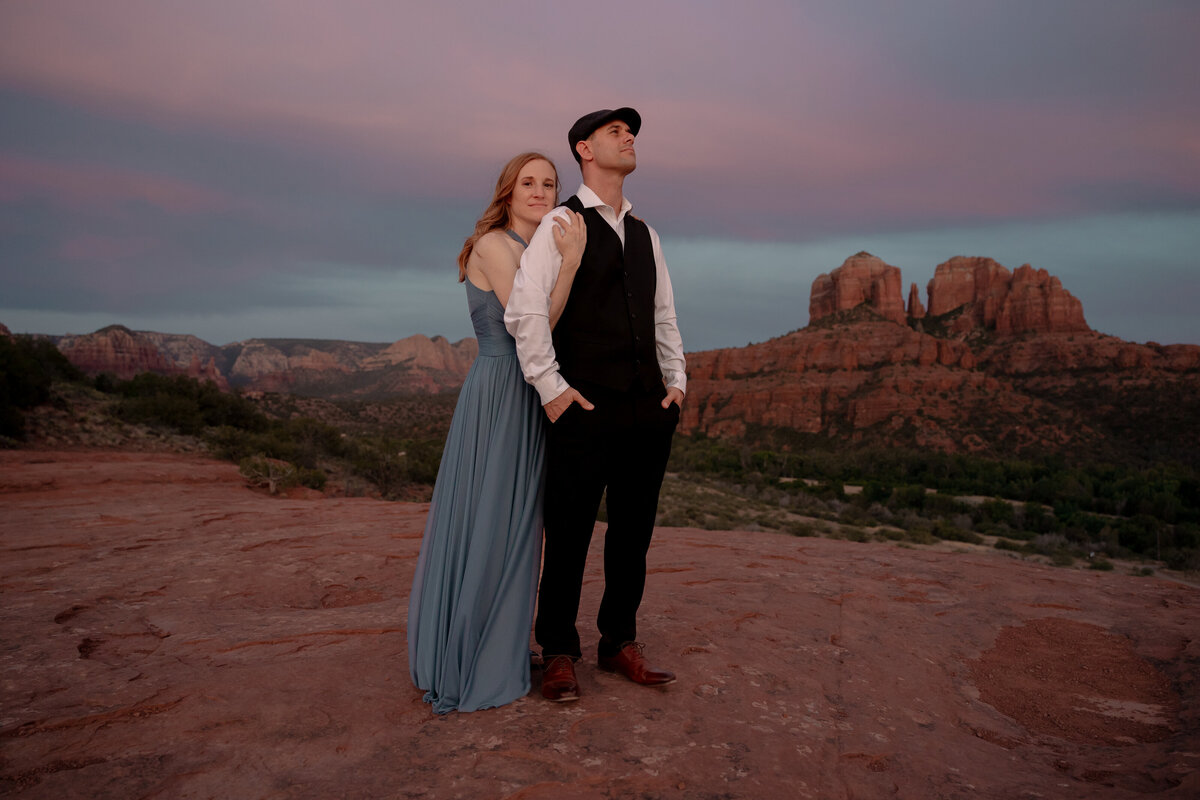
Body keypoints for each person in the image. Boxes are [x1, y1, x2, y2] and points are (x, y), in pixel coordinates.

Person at [505, 108, 686, 702]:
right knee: (571, 531)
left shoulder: (647, 234)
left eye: (630, 131)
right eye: (615, 131)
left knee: (633, 532)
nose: (628, 137)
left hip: (645, 408)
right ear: (584, 149)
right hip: (582, 406)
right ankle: (558, 651)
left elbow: (664, 315)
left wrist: (676, 384)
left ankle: (618, 643)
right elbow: (524, 312)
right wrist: (552, 389)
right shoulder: (561, 221)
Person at [407, 152, 586, 714]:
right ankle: (470, 650)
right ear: (508, 192)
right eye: (527, 183)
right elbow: (533, 327)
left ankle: (502, 639)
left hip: (531, 393)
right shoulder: (494, 246)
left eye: (549, 184)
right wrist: (573, 263)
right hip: (500, 392)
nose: (539, 191)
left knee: (520, 524)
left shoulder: (537, 250)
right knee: (487, 517)